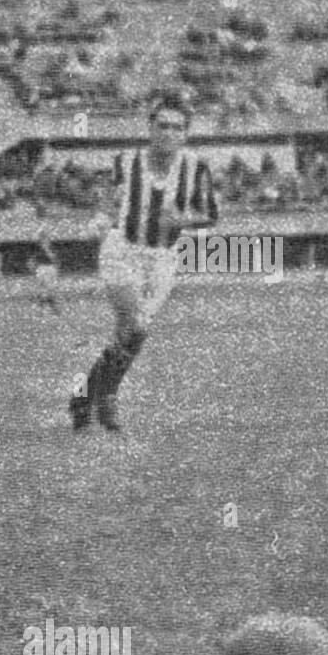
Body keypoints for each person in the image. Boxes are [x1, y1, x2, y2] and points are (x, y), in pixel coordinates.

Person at [69, 92, 219, 432]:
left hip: (163, 257)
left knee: (132, 335)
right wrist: (100, 219)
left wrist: (182, 219)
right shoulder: (126, 161)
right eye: (162, 125)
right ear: (150, 128)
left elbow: (209, 214)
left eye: (177, 128)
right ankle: (100, 399)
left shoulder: (196, 168)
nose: (169, 133)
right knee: (134, 325)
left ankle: (87, 398)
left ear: (185, 133)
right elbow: (111, 199)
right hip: (123, 250)